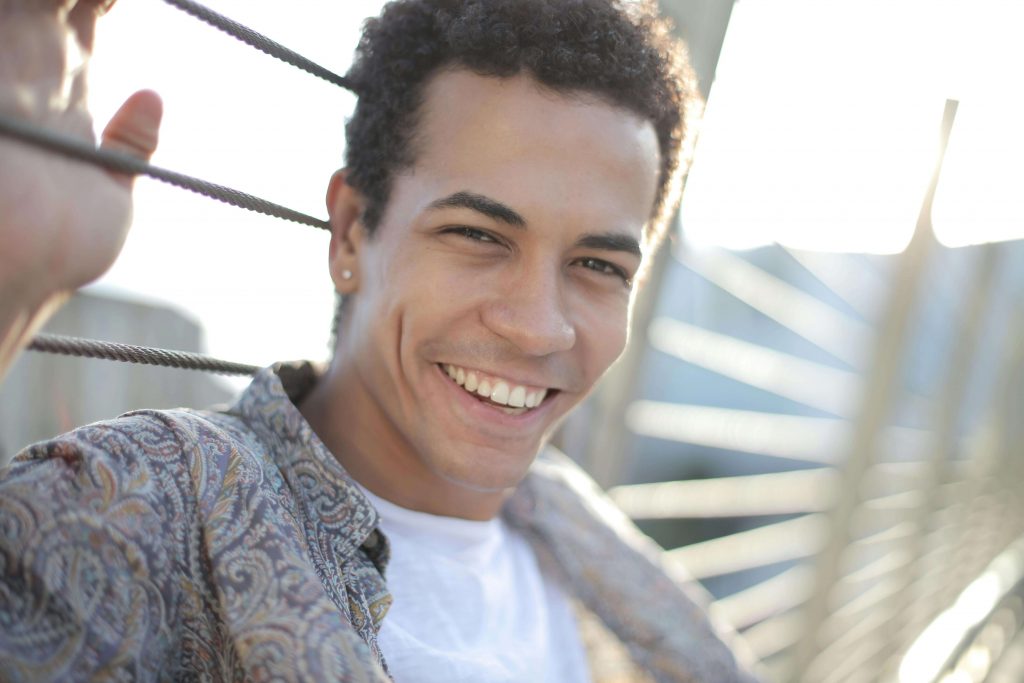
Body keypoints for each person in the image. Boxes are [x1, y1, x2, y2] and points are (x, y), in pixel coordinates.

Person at [0, 0, 758, 681]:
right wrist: (12, 288)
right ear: (351, 231)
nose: (537, 326)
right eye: (477, 233)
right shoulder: (129, 509)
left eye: (597, 264)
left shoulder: (588, 544)